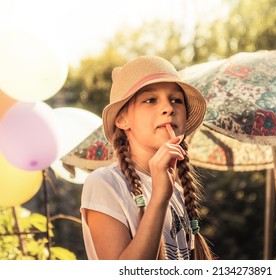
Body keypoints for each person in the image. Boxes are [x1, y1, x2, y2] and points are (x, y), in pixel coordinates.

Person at [80, 56, 214, 260]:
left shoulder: (177, 191)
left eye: (176, 100)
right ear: (122, 119)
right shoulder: (105, 184)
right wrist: (159, 198)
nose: (169, 108)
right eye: (150, 100)